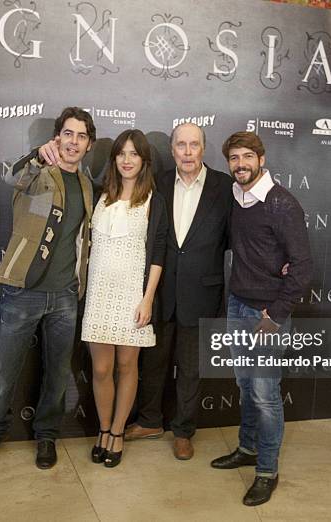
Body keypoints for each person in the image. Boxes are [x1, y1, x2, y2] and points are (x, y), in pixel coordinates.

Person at [0, 107, 95, 470]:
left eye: (81, 136)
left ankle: (46, 437)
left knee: (57, 373)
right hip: (22, 290)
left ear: (89, 144)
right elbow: (11, 176)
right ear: (57, 138)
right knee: (4, 370)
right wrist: (36, 156)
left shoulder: (88, 185)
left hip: (65, 296)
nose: (73, 142)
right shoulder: (38, 171)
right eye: (68, 134)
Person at [39, 129, 169, 468]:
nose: (127, 160)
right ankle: (102, 429)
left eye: (133, 154)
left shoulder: (154, 199)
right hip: (98, 294)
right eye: (121, 153)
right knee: (100, 368)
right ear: (114, 159)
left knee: (127, 366)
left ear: (144, 161)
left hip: (132, 297)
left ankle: (117, 434)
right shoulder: (98, 193)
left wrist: (147, 300)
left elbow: (157, 254)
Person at [210, 131, 312, 506]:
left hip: (267, 314)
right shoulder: (237, 198)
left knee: (266, 396)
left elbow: (302, 267)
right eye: (234, 158)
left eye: (247, 157)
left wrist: (276, 314)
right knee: (246, 385)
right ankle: (248, 448)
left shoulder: (282, 204)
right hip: (238, 305)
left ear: (261, 159)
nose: (240, 165)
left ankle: (267, 470)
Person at [126, 123, 233, 460]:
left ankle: (184, 431)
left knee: (190, 368)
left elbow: (240, 239)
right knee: (153, 363)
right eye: (181, 145)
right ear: (172, 150)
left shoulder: (225, 187)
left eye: (194, 145)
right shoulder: (157, 183)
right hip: (158, 292)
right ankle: (149, 421)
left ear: (204, 149)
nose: (188, 152)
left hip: (202, 293)